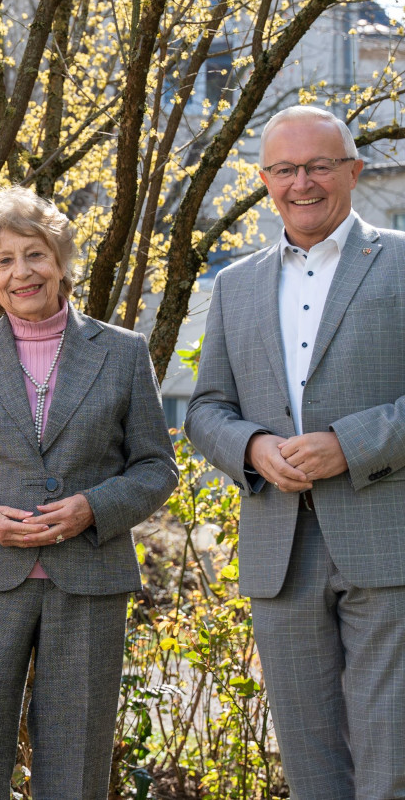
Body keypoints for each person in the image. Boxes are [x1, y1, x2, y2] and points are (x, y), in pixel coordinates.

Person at [0, 186, 177, 800]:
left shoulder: (122, 352)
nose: (21, 272)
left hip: (89, 578)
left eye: (34, 254)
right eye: (2, 261)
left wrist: (93, 508)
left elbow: (156, 466)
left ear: (60, 261)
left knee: (77, 759)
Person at [185, 105, 405, 799]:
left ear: (353, 171)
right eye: (284, 169)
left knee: (389, 760)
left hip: (387, 540)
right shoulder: (236, 285)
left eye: (317, 166)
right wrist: (250, 446)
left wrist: (351, 445)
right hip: (280, 550)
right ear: (265, 180)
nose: (301, 182)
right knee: (311, 770)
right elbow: (205, 411)